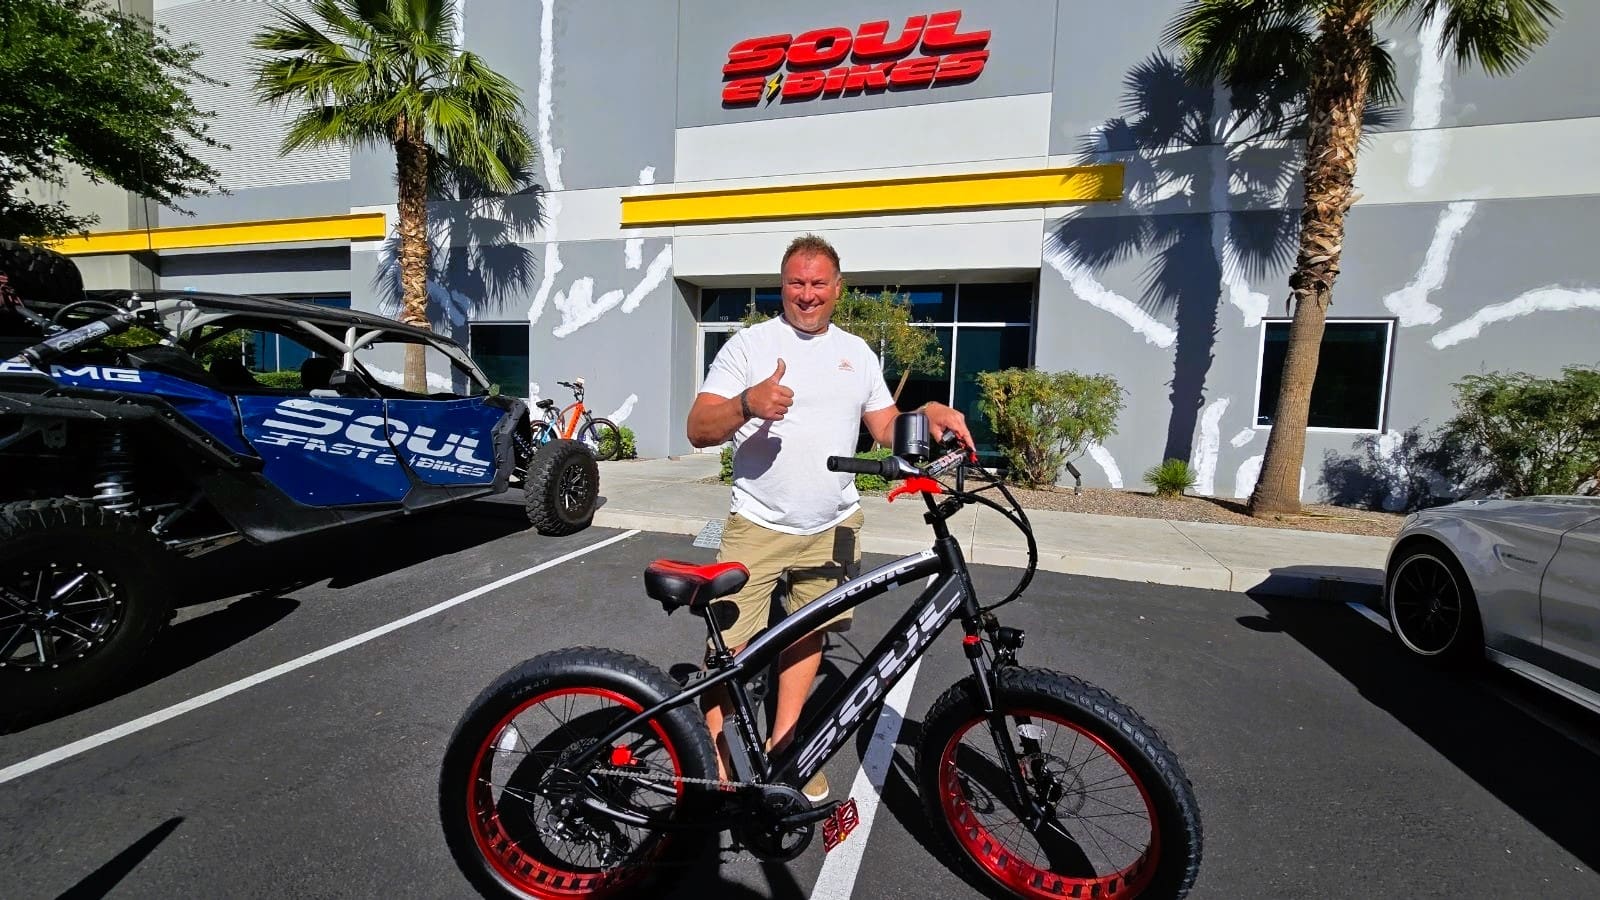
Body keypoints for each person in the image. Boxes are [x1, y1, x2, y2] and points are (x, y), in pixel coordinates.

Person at [687, 234, 974, 801]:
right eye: (796, 282)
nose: (807, 293)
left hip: (832, 526)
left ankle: (785, 752)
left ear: (838, 288)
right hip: (757, 523)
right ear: (782, 285)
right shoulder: (750, 345)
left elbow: (884, 426)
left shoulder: (857, 353)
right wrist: (746, 404)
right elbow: (698, 428)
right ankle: (711, 758)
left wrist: (927, 413)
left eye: (819, 283)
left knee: (807, 637)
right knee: (729, 648)